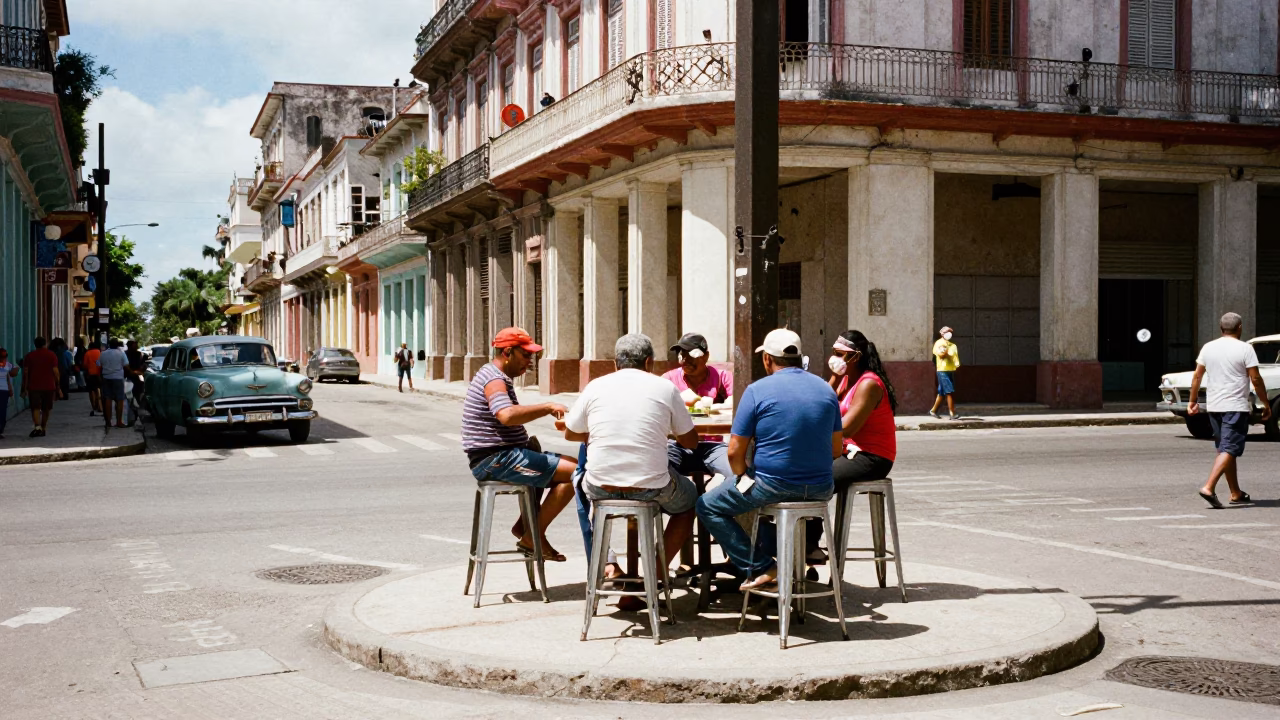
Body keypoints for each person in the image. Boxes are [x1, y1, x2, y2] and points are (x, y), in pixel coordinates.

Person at [695, 328, 843, 591]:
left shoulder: (757, 390)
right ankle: (791, 562)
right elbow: (835, 449)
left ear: (767, 359)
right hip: (821, 488)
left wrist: (742, 476)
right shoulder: (826, 389)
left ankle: (761, 566)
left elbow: (734, 452)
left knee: (708, 505)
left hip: (772, 486)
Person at [564, 334, 701, 610]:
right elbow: (691, 442)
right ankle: (654, 579)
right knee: (690, 502)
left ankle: (611, 565)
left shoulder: (595, 386)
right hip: (651, 487)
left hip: (601, 487)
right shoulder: (664, 387)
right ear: (649, 362)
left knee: (582, 481)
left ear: (616, 363)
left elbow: (571, 432)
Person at [462, 327, 576, 562]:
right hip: (495, 460)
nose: (529, 362)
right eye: (525, 356)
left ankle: (528, 529)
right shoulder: (494, 379)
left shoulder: (493, 374)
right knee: (577, 472)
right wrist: (546, 407)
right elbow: (506, 415)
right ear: (507, 352)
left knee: (571, 472)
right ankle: (531, 536)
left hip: (503, 456)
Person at [808, 330, 899, 559]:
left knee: (818, 478)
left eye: (840, 354)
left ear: (855, 357)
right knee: (801, 472)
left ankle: (809, 545)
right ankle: (805, 546)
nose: (835, 358)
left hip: (871, 457)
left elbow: (847, 428)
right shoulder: (847, 379)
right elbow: (822, 405)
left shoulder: (869, 384)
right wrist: (836, 378)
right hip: (848, 450)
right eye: (834, 353)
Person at [1189, 312, 1270, 508]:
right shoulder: (1245, 349)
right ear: (1239, 327)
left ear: (1221, 328)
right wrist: (1265, 403)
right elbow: (1256, 379)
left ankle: (1235, 493)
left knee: (1225, 449)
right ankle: (1209, 487)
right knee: (1230, 448)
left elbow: (1197, 377)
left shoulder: (1208, 347)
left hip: (1214, 406)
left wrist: (1192, 401)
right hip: (1235, 407)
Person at [663, 332, 738, 486]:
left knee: (736, 473)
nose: (685, 360)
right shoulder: (668, 379)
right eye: (681, 354)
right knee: (662, 471)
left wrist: (710, 405)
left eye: (691, 355)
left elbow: (736, 401)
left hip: (713, 445)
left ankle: (714, 504)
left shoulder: (722, 377)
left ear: (705, 356)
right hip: (678, 444)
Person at [20, 337, 60, 438]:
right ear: (45, 344)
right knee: (46, 408)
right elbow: (55, 371)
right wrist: (58, 385)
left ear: (35, 344)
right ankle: (44, 427)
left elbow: (26, 373)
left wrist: (24, 388)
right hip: (49, 386)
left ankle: (37, 427)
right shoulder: (51, 355)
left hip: (33, 386)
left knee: (35, 407)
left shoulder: (29, 356)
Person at [928, 326, 960, 420]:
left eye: (950, 332)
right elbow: (940, 355)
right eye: (946, 332)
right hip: (942, 370)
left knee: (942, 392)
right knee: (949, 391)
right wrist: (945, 353)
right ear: (942, 334)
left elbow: (954, 358)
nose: (949, 333)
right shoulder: (939, 343)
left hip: (950, 370)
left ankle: (933, 411)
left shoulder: (952, 345)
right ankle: (952, 413)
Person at [98, 338, 129, 429]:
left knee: (108, 399)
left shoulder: (103, 354)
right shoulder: (121, 353)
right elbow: (126, 365)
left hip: (106, 378)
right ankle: (119, 421)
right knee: (120, 399)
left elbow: (99, 364)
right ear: (117, 345)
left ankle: (108, 422)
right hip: (118, 378)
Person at [125, 340, 145, 425]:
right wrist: (132, 372)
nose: (136, 346)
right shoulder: (126, 354)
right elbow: (125, 365)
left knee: (137, 396)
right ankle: (132, 415)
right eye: (134, 345)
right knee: (129, 397)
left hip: (136, 377)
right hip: (129, 377)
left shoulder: (139, 354)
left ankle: (135, 414)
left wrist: (140, 370)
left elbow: (142, 364)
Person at [0, 348, 17, 439]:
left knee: (2, 411)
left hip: (4, 391)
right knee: (2, 410)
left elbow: (10, 376)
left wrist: (10, 389)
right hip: (4, 391)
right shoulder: (7, 365)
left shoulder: (8, 365)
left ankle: (0, 429)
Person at [83, 341, 102, 416]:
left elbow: (85, 365)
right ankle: (99, 404)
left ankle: (93, 405)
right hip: (98, 373)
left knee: (91, 391)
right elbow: (101, 362)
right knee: (98, 389)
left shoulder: (87, 353)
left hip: (90, 374)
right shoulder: (99, 352)